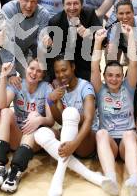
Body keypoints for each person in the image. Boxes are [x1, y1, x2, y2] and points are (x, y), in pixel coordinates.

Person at [34, 55, 112, 196]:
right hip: (68, 139)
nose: (61, 75)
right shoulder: (61, 89)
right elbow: (60, 121)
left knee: (70, 112)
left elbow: (89, 120)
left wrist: (74, 144)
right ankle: (92, 176)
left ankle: (58, 179)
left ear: (73, 67)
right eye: (57, 72)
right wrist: (51, 101)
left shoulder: (85, 87)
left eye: (64, 70)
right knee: (40, 134)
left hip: (85, 141)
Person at [0, 60, 55, 193]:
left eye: (39, 71)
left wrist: (38, 120)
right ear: (26, 69)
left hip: (33, 140)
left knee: (34, 116)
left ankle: (15, 172)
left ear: (42, 75)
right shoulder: (17, 84)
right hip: (17, 136)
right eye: (31, 68)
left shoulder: (47, 88)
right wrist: (3, 77)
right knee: (6, 112)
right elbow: (1, 105)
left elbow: (51, 120)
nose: (34, 73)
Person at [91, 27, 137, 195]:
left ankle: (134, 180)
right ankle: (111, 178)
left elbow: (133, 63)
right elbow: (94, 68)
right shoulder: (100, 90)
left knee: (128, 134)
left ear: (123, 77)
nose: (114, 78)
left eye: (118, 75)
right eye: (110, 75)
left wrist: (130, 37)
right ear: (104, 77)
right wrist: (98, 42)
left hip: (128, 142)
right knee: (101, 133)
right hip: (110, 144)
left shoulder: (128, 88)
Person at [1, 0, 51, 85]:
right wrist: (11, 73)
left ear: (38, 2)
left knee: (34, 79)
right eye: (25, 0)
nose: (29, 5)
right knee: (5, 83)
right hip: (3, 51)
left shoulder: (43, 14)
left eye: (33, 1)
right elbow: (6, 42)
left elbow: (41, 42)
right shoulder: (8, 10)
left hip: (25, 52)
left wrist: (38, 62)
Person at [45, 0, 102, 81]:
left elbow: (103, 39)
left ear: (81, 4)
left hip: (87, 65)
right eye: (68, 4)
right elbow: (50, 55)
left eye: (75, 3)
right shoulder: (54, 22)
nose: (72, 8)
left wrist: (89, 34)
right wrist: (53, 79)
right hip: (64, 67)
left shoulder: (90, 14)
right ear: (63, 6)